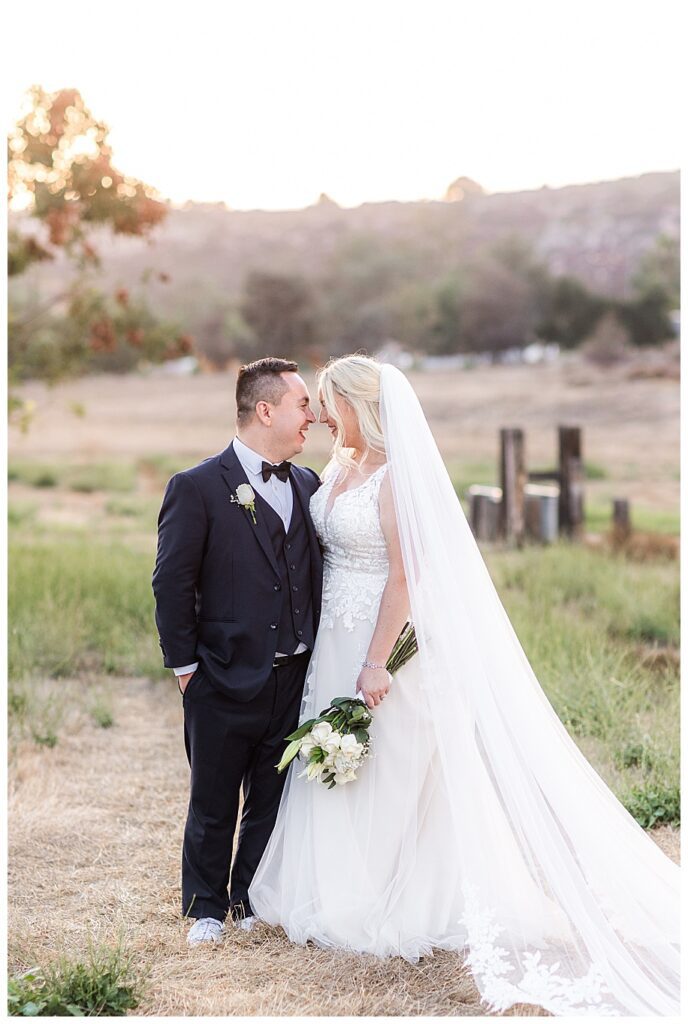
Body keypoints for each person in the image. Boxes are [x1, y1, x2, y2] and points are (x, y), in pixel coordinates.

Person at [249, 354, 680, 1017]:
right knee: (333, 765)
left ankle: (390, 899)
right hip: (331, 641)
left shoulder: (396, 478)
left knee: (388, 770)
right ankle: (334, 888)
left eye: (331, 402)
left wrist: (376, 660)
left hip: (381, 646)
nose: (324, 416)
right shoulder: (336, 468)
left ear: (361, 406)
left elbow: (405, 576)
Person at [152, 357, 323, 945]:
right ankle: (204, 907)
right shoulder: (196, 487)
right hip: (220, 676)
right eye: (304, 405)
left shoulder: (307, 484)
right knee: (214, 798)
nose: (314, 417)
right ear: (265, 409)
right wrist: (186, 669)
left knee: (272, 796)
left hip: (293, 674)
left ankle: (249, 895)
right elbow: (171, 582)